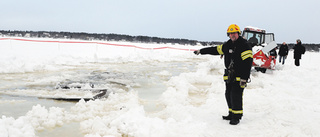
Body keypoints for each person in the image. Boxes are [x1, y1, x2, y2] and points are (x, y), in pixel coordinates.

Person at [194, 24, 253, 125]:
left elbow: (248, 63)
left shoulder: (244, 45)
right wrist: (201, 51)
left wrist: (244, 78)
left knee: (236, 95)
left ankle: (237, 116)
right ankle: (231, 113)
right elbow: (215, 49)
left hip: (240, 76)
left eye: (234, 33)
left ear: (238, 33)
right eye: (230, 34)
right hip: (230, 75)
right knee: (228, 95)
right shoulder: (228, 45)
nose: (232, 35)